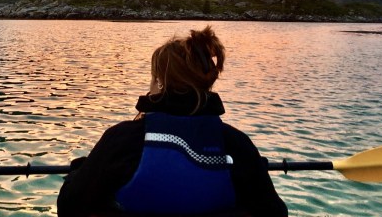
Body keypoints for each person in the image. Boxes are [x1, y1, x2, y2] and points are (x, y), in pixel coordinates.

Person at [57, 26, 288, 216]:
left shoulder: (122, 139)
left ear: (159, 82)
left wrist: (80, 169)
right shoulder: (237, 144)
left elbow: (69, 205)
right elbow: (274, 212)